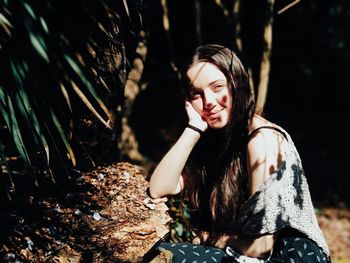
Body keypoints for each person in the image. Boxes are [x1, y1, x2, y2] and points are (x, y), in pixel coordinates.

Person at [148, 44, 330, 262]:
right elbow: (159, 188)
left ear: (237, 84)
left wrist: (207, 238)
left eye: (217, 87)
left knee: (168, 257)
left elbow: (261, 246)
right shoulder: (213, 142)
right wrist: (193, 129)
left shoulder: (262, 140)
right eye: (197, 94)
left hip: (289, 256)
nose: (209, 102)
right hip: (242, 253)